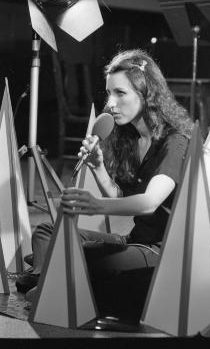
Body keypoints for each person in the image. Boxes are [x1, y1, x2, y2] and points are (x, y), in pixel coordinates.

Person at [16, 49, 194, 311]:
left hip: (159, 251)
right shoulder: (133, 139)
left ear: (147, 94)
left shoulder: (174, 141)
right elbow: (121, 198)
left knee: (77, 255)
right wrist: (98, 168)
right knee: (47, 231)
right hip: (134, 240)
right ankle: (48, 278)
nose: (110, 103)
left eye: (120, 93)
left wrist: (94, 205)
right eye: (109, 93)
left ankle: (47, 279)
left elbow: (148, 203)